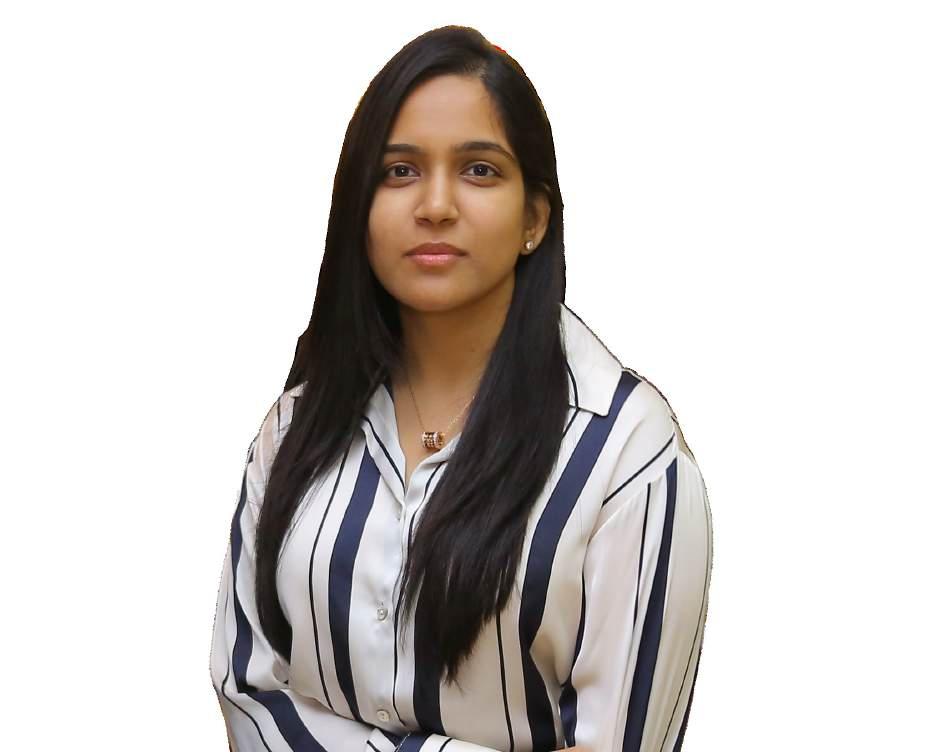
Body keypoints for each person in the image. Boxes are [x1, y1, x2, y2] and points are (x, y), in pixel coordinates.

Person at [208, 25, 713, 752]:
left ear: (533, 218)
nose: (436, 205)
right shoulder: (293, 429)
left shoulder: (625, 455)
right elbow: (250, 696)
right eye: (399, 171)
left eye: (478, 170)